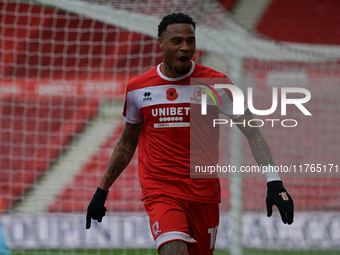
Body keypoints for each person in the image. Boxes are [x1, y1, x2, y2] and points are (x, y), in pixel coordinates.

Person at [86, 13, 294, 255]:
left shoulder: (217, 84)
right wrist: (102, 191)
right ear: (161, 43)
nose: (185, 47)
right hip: (161, 191)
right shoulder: (138, 88)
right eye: (177, 41)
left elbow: (253, 133)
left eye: (190, 40)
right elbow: (127, 143)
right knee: (173, 250)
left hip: (203, 194)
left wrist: (274, 182)